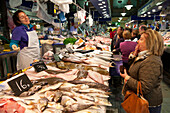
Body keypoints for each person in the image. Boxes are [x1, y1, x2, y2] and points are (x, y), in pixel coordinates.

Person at [120, 29, 164, 113]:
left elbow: (144, 88)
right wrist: (134, 55)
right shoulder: (144, 56)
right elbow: (134, 68)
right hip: (139, 101)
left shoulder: (152, 61)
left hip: (147, 105)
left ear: (149, 43)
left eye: (141, 39)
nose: (138, 41)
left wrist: (127, 78)